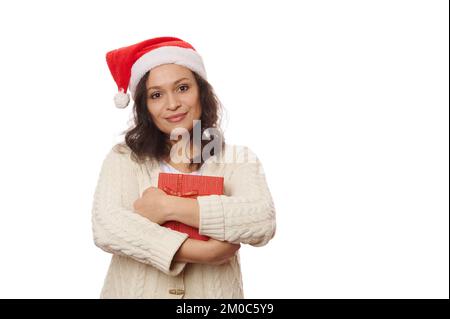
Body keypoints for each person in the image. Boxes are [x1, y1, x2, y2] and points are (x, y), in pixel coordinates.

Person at [91, 36, 276, 298]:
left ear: (201, 91)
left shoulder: (236, 160)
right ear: (145, 107)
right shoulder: (125, 158)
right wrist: (206, 252)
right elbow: (108, 227)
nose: (172, 104)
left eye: (182, 88)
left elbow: (261, 221)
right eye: (156, 95)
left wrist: (167, 207)